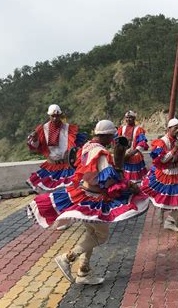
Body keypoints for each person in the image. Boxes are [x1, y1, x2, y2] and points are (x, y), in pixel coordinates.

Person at [27, 120, 149, 284]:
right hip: (94, 199)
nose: (112, 139)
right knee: (102, 236)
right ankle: (68, 257)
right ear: (105, 135)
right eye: (111, 136)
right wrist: (129, 185)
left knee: (91, 234)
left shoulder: (87, 147)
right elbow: (108, 182)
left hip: (83, 193)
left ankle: (84, 272)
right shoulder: (102, 154)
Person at [27, 104, 86, 192]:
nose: (55, 118)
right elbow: (36, 146)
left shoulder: (68, 128)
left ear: (60, 115)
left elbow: (78, 146)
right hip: (52, 166)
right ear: (49, 116)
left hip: (67, 166)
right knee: (52, 191)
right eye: (53, 116)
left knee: (70, 190)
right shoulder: (42, 129)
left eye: (57, 116)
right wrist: (35, 139)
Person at [117, 110, 149, 183]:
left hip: (135, 155)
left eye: (130, 117)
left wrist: (133, 152)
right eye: (127, 117)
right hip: (124, 155)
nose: (128, 119)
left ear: (134, 118)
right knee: (123, 178)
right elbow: (117, 140)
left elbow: (142, 142)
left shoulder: (139, 129)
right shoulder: (122, 129)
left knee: (136, 181)